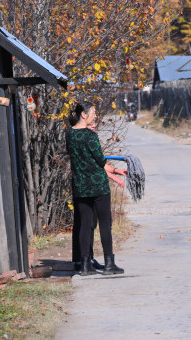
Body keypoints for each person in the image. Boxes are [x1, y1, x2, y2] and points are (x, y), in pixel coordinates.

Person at [66, 101, 125, 276]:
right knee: (105, 224)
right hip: (98, 186)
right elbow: (100, 160)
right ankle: (109, 264)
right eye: (93, 112)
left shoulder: (69, 134)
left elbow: (84, 159)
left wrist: (115, 172)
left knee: (84, 225)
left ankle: (85, 265)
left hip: (80, 187)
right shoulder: (90, 136)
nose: (95, 115)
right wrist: (114, 171)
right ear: (83, 114)